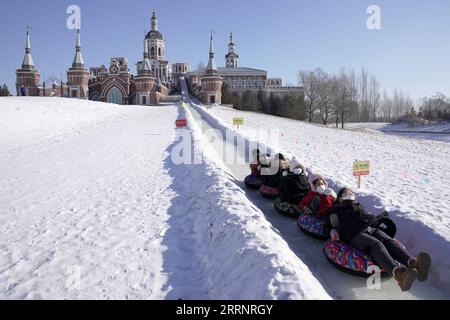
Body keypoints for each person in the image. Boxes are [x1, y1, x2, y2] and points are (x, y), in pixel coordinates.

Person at [327, 188, 432, 292]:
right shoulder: (336, 210)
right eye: (345, 193)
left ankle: (413, 263)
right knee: (376, 244)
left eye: (350, 192)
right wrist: (331, 230)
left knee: (389, 241)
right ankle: (399, 275)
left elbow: (367, 217)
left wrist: (379, 217)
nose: (348, 194)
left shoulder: (357, 206)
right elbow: (327, 224)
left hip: (370, 229)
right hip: (353, 234)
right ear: (339, 198)